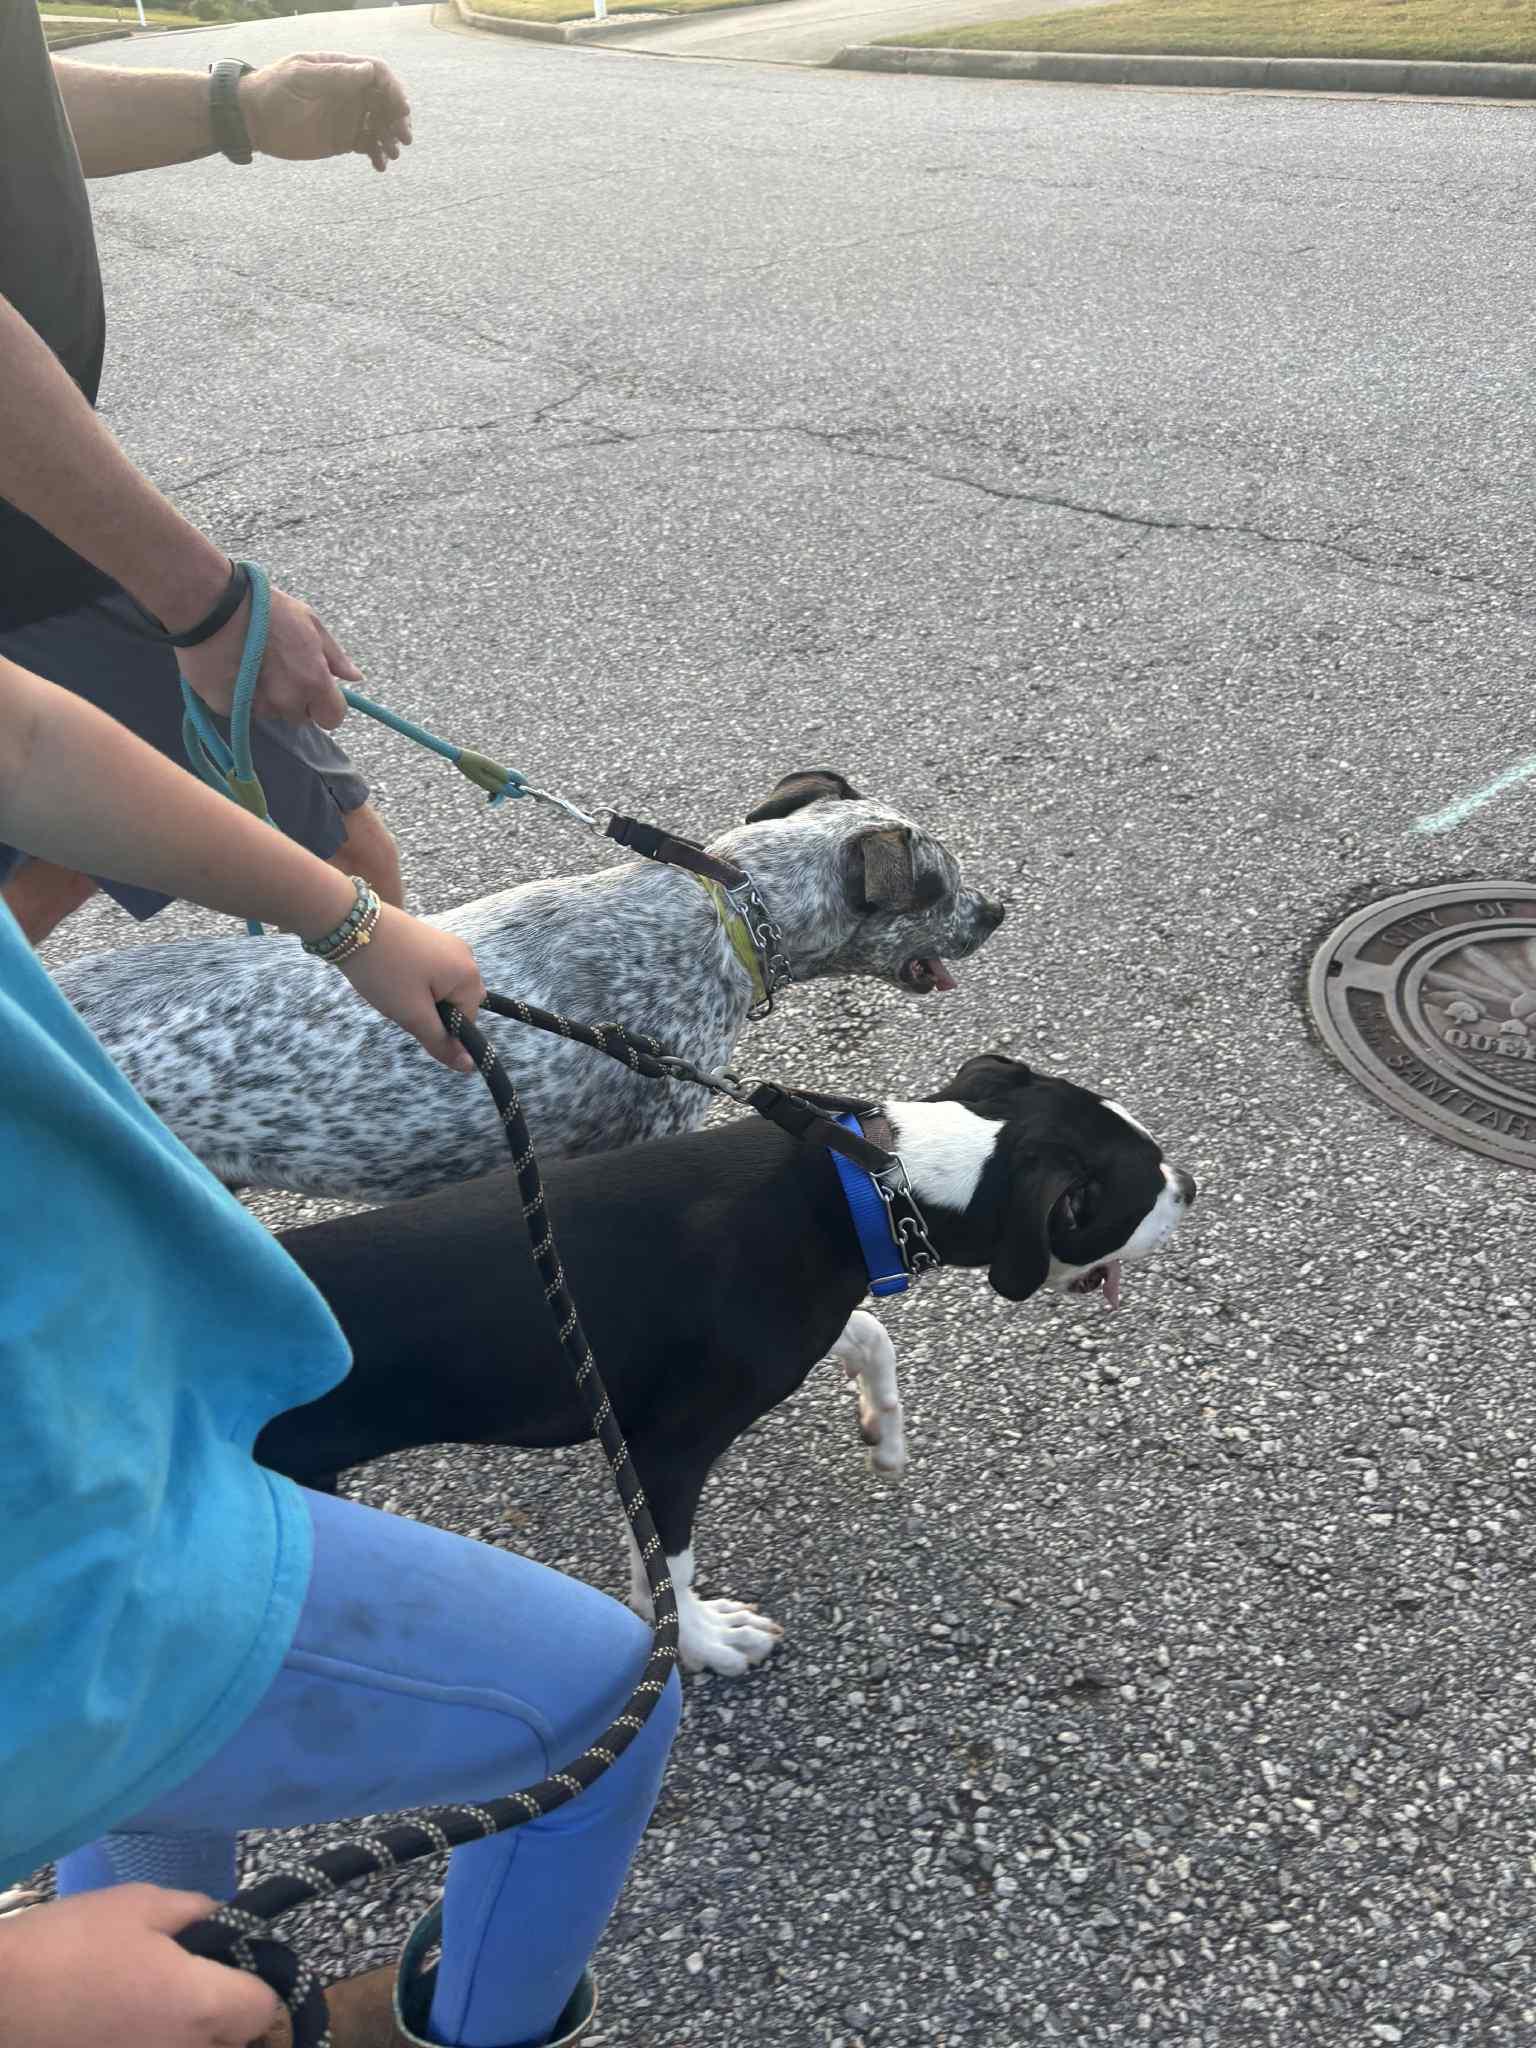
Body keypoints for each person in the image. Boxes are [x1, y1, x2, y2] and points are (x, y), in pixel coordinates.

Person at [0, 653, 683, 2048]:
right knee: (599, 1705)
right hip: (54, 1554)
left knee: (159, 1803)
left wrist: (349, 918)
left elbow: (11, 730)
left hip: (94, 1448)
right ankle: (472, 2026)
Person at [0, 0, 416, 941]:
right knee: (344, 878)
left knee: (58, 849)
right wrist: (202, 599)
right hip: (36, 547)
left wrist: (237, 108)